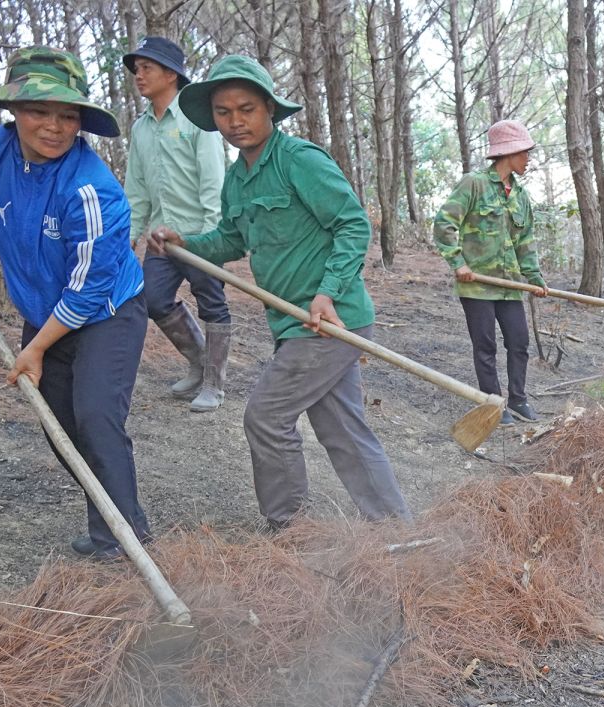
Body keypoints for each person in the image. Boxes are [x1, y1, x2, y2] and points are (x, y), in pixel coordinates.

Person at [146, 55, 410, 526]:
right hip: (292, 323)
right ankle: (395, 527)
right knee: (344, 429)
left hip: (329, 319)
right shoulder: (237, 178)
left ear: (269, 108)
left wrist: (327, 292)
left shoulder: (299, 161)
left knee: (265, 417)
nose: (235, 122)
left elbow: (352, 225)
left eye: (246, 109)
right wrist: (185, 243)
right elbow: (230, 239)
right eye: (224, 113)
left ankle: (289, 529)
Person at [0, 47, 149, 561]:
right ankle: (111, 517)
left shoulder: (92, 189)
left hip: (107, 313)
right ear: (14, 110)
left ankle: (124, 543)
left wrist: (35, 349)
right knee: (58, 425)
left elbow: (88, 289)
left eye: (68, 115)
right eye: (40, 111)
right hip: (43, 311)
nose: (55, 127)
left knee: (97, 418)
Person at [123, 36, 231, 412]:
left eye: (147, 68)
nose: (139, 76)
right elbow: (136, 188)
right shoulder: (141, 129)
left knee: (212, 303)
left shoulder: (197, 120)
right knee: (152, 299)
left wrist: (212, 237)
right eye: (137, 69)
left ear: (171, 74)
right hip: (160, 237)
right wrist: (130, 236)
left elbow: (213, 181)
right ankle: (200, 364)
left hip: (199, 235)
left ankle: (215, 384)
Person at [433, 119, 549, 427]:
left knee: (519, 342)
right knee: (485, 346)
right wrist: (458, 263)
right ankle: (494, 403)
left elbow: (525, 242)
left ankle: (519, 399)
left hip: (508, 285)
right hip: (477, 286)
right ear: (509, 153)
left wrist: (534, 278)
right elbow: (444, 224)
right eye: (525, 153)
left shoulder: (521, 197)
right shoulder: (474, 184)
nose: (528, 159)